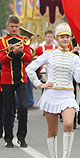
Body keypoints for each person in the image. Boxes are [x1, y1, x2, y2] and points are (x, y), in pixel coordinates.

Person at [26, 23, 80, 158]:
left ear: (70, 39)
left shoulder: (75, 58)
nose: (65, 39)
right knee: (52, 131)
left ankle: (66, 156)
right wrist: (39, 84)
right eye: (62, 37)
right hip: (51, 95)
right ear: (57, 38)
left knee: (69, 124)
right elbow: (29, 68)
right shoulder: (49, 54)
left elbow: (78, 79)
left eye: (67, 37)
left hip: (68, 96)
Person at [0, 15, 32, 148]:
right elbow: (2, 60)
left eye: (16, 27)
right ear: (8, 27)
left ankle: (22, 137)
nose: (14, 29)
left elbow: (29, 58)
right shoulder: (2, 41)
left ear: (19, 27)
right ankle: (8, 138)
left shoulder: (23, 41)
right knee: (8, 110)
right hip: (6, 80)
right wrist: (13, 53)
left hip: (22, 79)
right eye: (12, 26)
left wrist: (20, 53)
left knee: (24, 108)